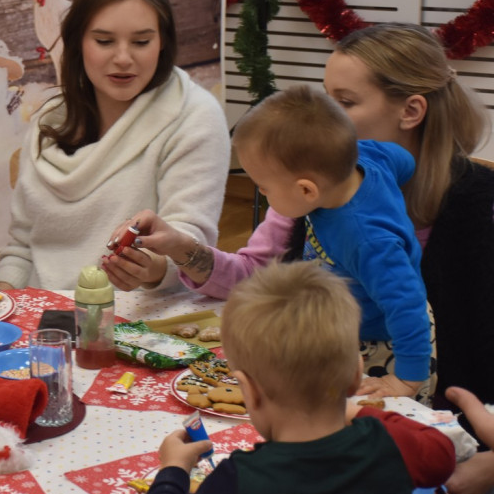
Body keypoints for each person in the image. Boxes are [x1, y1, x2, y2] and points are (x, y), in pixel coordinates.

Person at [124, 23, 489, 403]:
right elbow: (254, 276)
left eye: (344, 103)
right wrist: (182, 248)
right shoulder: (318, 185)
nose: (327, 119)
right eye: (327, 100)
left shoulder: (463, 208)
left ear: (411, 110)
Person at [140, 261, 456, 494]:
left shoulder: (244, 477)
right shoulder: (391, 443)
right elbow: (443, 454)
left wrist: (173, 469)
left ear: (247, 390)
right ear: (357, 374)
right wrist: (362, 410)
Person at [0, 0, 230, 292]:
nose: (123, 58)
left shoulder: (195, 115)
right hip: (44, 322)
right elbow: (20, 249)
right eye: (104, 41)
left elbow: (190, 252)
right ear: (77, 41)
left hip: (141, 325)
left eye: (141, 42)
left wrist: (155, 269)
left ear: (162, 42)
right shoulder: (49, 119)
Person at [235, 85, 432, 400]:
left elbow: (407, 305)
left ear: (306, 190)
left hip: (388, 344)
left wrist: (406, 380)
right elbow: (405, 161)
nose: (263, 196)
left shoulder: (367, 239)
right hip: (352, 327)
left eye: (263, 187)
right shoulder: (367, 154)